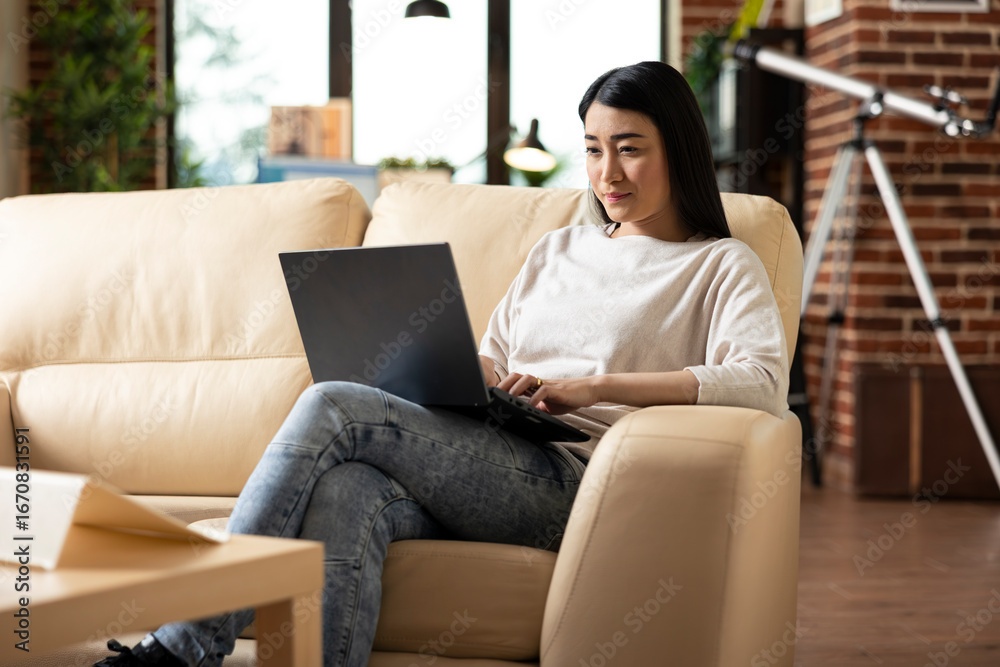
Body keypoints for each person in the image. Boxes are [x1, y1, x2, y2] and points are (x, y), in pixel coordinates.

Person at [96, 60, 789, 667]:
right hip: (493, 444)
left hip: (575, 473)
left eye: (630, 149)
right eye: (594, 149)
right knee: (350, 490)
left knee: (331, 405)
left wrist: (594, 387)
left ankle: (185, 644)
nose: (608, 172)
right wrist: (476, 371)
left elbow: (760, 384)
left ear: (681, 150)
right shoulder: (559, 250)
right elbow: (496, 350)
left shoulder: (719, 264)